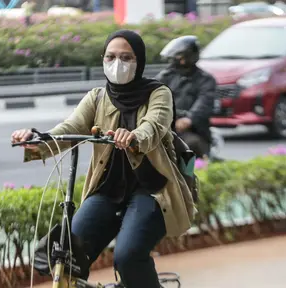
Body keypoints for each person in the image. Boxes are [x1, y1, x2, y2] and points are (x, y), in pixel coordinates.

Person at [11, 30, 195, 288]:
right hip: (107, 190)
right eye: (111, 57)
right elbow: (69, 129)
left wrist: (133, 137)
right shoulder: (97, 97)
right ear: (103, 60)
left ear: (139, 61)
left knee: (128, 256)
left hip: (151, 190)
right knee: (66, 254)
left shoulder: (158, 93)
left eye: (126, 57)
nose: (117, 63)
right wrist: (36, 139)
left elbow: (154, 126)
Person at [155, 35, 217, 159]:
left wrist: (189, 119)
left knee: (189, 146)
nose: (178, 60)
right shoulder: (166, 76)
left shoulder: (205, 79)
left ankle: (189, 175)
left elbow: (204, 102)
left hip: (194, 130)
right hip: (168, 127)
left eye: (181, 57)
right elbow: (153, 95)